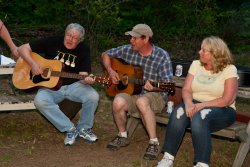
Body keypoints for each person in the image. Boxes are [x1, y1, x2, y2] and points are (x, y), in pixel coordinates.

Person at [157, 36, 238, 167]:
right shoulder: (195, 65)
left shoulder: (229, 69)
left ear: (215, 54)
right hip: (195, 102)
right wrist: (188, 103)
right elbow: (187, 89)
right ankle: (168, 157)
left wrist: (200, 105)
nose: (199, 52)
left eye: (204, 50)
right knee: (178, 113)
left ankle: (201, 163)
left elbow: (227, 100)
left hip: (223, 109)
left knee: (200, 116)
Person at [18, 23, 99, 146]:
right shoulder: (53, 41)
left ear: (80, 40)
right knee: (40, 101)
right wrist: (33, 64)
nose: (70, 39)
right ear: (65, 33)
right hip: (50, 87)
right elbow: (22, 48)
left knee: (93, 96)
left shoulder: (83, 49)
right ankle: (70, 129)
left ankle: (84, 128)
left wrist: (87, 79)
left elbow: (83, 75)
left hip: (74, 85)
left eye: (74, 38)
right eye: (68, 35)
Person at [102, 23, 173, 160]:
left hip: (156, 96)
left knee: (142, 101)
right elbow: (105, 54)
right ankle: (122, 136)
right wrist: (111, 71)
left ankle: (154, 143)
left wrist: (155, 86)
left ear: (145, 39)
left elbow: (167, 84)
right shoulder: (128, 50)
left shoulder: (161, 56)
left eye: (135, 38)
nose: (131, 41)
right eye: (131, 38)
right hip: (134, 94)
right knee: (117, 101)